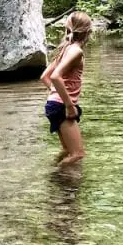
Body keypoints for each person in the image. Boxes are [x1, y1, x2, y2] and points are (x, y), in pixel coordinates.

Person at [41, 11, 92, 165]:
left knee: (67, 150)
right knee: (78, 154)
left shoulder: (66, 48)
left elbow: (44, 77)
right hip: (62, 106)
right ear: (88, 32)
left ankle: (59, 176)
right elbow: (55, 76)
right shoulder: (76, 51)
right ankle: (55, 174)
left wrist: (56, 95)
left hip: (54, 104)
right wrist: (69, 105)